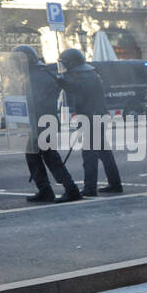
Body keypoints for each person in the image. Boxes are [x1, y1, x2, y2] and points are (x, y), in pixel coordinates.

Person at [15, 44, 81, 203]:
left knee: (50, 157)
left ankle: (71, 190)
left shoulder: (40, 75)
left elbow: (38, 99)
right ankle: (45, 190)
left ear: (28, 60)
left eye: (18, 60)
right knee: (33, 156)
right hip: (37, 121)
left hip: (44, 121)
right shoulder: (33, 74)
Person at [58, 48, 123, 196]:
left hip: (91, 118)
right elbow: (77, 90)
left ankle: (90, 188)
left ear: (72, 63)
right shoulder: (88, 74)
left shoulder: (84, 76)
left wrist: (59, 81)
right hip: (95, 117)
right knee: (104, 153)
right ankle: (115, 184)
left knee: (89, 155)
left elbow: (77, 91)